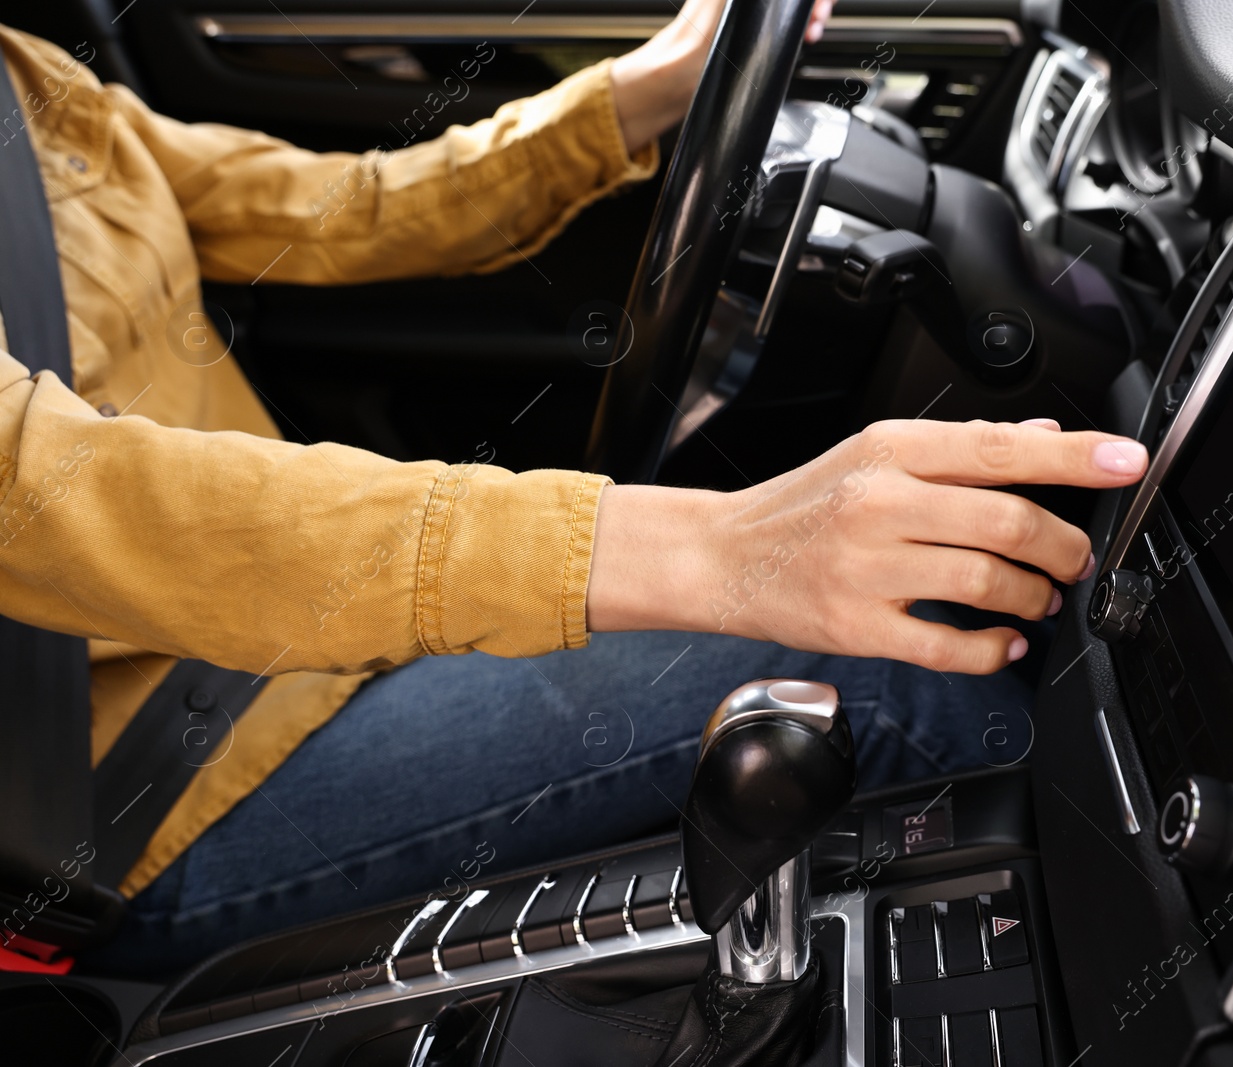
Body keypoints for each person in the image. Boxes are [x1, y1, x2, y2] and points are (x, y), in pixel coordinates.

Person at [0, 0, 1148, 974]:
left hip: (333, 635)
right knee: (880, 668)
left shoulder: (26, 77)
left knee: (932, 609)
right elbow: (54, 492)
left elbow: (335, 213)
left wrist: (649, 89)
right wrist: (710, 549)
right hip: (148, 792)